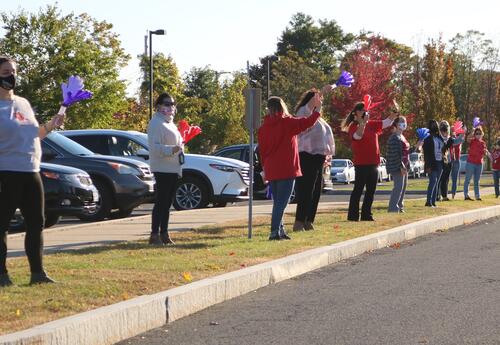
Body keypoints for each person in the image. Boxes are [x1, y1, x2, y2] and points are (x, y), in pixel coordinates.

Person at [0, 56, 64, 286]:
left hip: (31, 170)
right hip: (6, 172)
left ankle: (38, 273)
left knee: (37, 222)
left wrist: (51, 125)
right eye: (6, 72)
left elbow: (35, 134)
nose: (11, 76)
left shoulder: (23, 103)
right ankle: (2, 275)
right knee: (2, 224)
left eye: (14, 71)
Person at [258, 96, 321, 240]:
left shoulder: (264, 127)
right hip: (286, 167)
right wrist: (318, 110)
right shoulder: (287, 122)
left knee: (277, 202)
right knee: (282, 202)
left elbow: (262, 151)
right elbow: (308, 122)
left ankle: (280, 230)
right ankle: (274, 231)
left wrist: (264, 168)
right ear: (282, 107)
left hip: (271, 168)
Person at [342, 102, 398, 221]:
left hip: (374, 162)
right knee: (358, 189)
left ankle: (366, 214)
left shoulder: (372, 125)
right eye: (361, 110)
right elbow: (358, 136)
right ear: (355, 113)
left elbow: (388, 122)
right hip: (361, 163)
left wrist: (395, 111)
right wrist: (362, 123)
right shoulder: (353, 126)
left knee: (371, 190)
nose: (364, 112)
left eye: (365, 110)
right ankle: (353, 216)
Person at [292, 86, 335, 231]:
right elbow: (306, 125)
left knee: (316, 190)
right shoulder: (304, 111)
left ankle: (309, 220)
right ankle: (299, 221)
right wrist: (321, 92)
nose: (320, 101)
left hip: (318, 158)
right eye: (318, 98)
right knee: (306, 189)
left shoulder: (319, 118)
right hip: (306, 156)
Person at [147, 93, 184, 245]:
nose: (170, 107)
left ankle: (164, 233)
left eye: (172, 104)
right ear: (159, 105)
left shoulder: (170, 124)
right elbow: (155, 148)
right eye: (167, 104)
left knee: (168, 203)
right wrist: (172, 150)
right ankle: (154, 233)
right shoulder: (156, 123)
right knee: (161, 202)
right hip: (162, 168)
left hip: (173, 168)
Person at [385, 116, 409, 213]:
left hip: (405, 166)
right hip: (397, 166)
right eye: (401, 121)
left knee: (403, 187)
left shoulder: (402, 137)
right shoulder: (394, 137)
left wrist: (418, 145)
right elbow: (395, 154)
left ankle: (400, 205)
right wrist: (401, 166)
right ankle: (392, 208)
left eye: (405, 121)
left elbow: (406, 152)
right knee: (398, 187)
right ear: (396, 124)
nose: (404, 123)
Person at [422, 120, 444, 207]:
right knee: (433, 181)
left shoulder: (439, 138)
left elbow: (444, 148)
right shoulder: (428, 138)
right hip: (432, 162)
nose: (435, 126)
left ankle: (434, 201)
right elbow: (426, 153)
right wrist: (428, 166)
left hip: (440, 162)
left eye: (436, 124)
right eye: (433, 125)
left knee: (437, 182)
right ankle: (428, 201)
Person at [463, 127, 488, 201]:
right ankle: (466, 195)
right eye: (476, 134)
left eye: (479, 133)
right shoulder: (472, 141)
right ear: (475, 134)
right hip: (470, 163)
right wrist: (472, 132)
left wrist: (485, 153)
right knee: (468, 179)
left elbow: (484, 152)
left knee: (477, 181)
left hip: (479, 164)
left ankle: (477, 196)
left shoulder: (483, 143)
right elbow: (467, 138)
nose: (478, 135)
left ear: (482, 134)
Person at [437, 121, 452, 201]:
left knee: (446, 179)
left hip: (448, 161)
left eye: (446, 130)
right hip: (440, 160)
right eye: (443, 130)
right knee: (439, 179)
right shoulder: (438, 138)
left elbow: (457, 141)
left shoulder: (450, 138)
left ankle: (444, 195)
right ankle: (437, 196)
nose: (445, 132)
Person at [449, 126, 465, 199]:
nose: (453, 131)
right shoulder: (448, 139)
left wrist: (463, 132)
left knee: (454, 179)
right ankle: (443, 194)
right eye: (452, 130)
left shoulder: (458, 139)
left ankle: (453, 194)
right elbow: (454, 142)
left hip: (457, 160)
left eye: (454, 130)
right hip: (449, 160)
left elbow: (461, 140)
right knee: (446, 178)